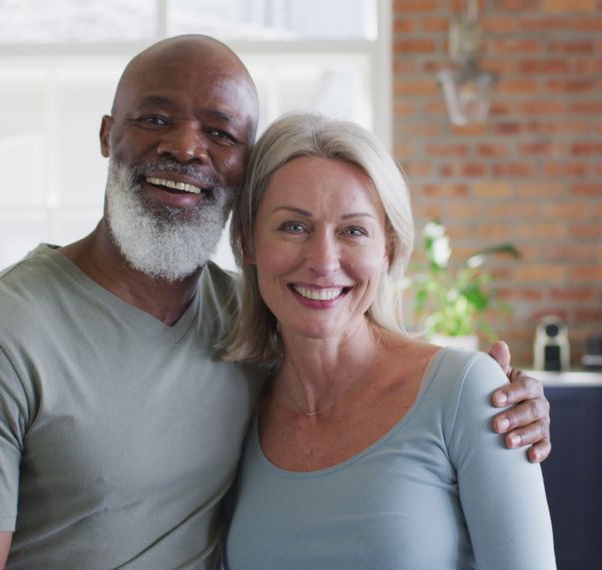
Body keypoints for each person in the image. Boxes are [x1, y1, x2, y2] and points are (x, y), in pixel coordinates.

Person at [0, 35, 552, 569]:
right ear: (105, 136)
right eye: (154, 118)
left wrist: (503, 400)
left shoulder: (254, 328)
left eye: (220, 132)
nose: (184, 147)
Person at [222, 112, 556, 568]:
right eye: (293, 226)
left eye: (353, 231)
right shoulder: (238, 403)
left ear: (388, 249)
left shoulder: (465, 390)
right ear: (247, 242)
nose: (323, 260)